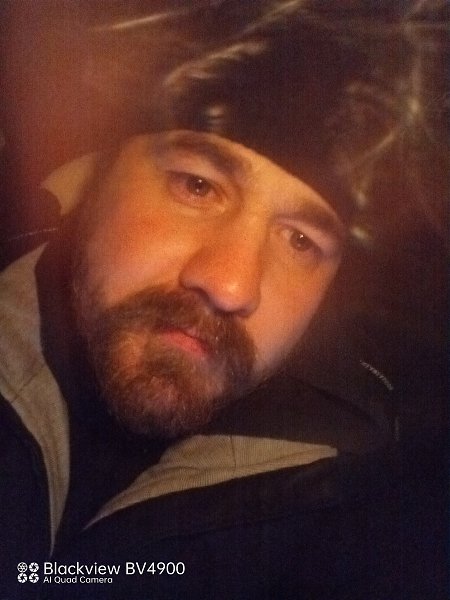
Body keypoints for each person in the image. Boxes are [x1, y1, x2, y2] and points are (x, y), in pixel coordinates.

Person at [0, 1, 447, 598]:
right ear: (99, 176)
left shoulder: (365, 504)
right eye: (197, 186)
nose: (232, 286)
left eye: (301, 240)